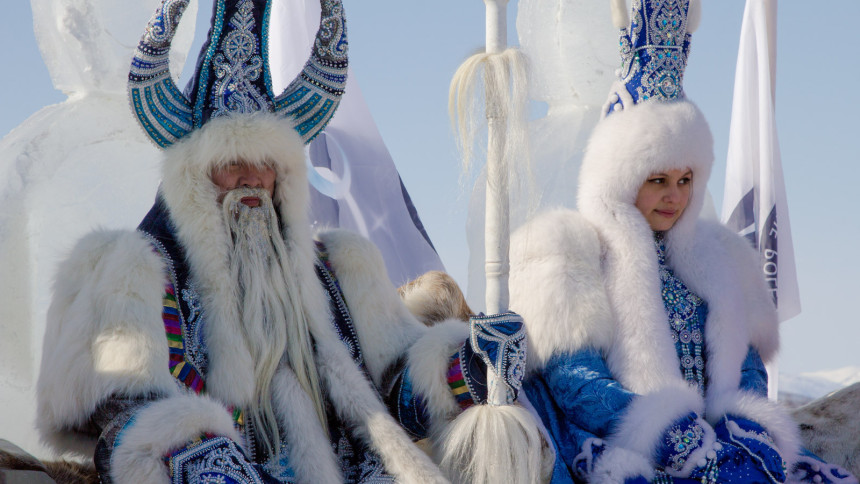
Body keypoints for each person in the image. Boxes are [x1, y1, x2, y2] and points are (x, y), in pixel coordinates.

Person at [35, 0, 545, 482]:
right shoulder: (138, 272)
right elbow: (120, 409)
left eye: (268, 165)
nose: (252, 180)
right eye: (233, 164)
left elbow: (398, 386)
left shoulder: (340, 269)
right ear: (195, 179)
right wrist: (199, 455)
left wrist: (468, 367)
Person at [508, 1, 858, 483]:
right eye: (657, 179)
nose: (675, 196)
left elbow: (750, 371)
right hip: (632, 449)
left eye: (686, 178)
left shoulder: (724, 257)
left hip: (726, 450)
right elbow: (577, 384)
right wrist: (683, 441)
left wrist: (745, 432)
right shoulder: (571, 250)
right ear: (620, 178)